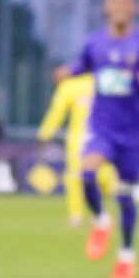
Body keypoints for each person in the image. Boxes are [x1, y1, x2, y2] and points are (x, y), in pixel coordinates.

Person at [70, 0, 139, 278]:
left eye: (126, 1)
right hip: (102, 128)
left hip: (132, 134)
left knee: (125, 195)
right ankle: (101, 219)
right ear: (106, 7)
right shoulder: (94, 43)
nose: (120, 6)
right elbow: (80, 67)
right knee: (86, 173)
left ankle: (126, 255)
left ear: (135, 8)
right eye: (115, 1)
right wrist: (65, 72)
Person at [38, 64, 96, 225]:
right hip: (96, 137)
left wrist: (44, 134)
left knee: (77, 177)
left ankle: (79, 215)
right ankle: (90, 214)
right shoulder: (103, 83)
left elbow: (56, 112)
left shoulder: (70, 86)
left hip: (83, 138)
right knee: (94, 177)